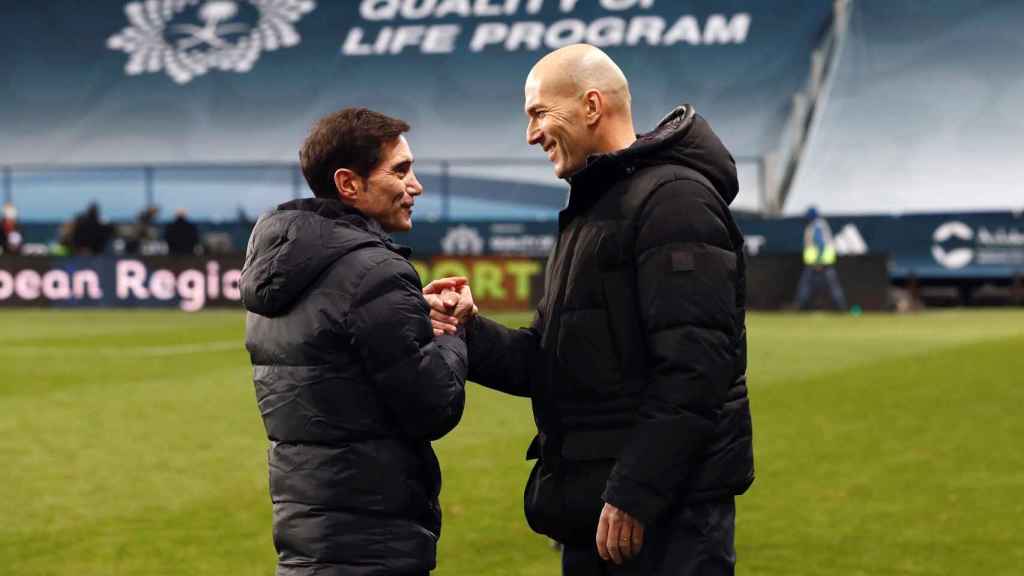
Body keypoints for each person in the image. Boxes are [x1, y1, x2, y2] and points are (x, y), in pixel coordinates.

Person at [426, 44, 754, 575]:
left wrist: (635, 492)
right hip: (600, 510)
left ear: (592, 106)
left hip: (658, 519)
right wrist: (468, 329)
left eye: (538, 113)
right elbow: (551, 362)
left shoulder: (674, 202)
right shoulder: (596, 207)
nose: (530, 134)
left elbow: (695, 370)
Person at [241, 108, 468, 576]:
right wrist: (452, 332)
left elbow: (341, 353)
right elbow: (434, 405)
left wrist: (405, 315)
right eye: (400, 171)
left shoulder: (280, 272)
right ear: (349, 184)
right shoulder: (374, 271)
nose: (416, 185)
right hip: (373, 540)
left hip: (307, 533)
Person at [795, 206, 848, 310]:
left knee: (807, 286)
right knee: (831, 287)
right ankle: (841, 307)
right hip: (822, 262)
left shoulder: (817, 226)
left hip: (819, 263)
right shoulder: (820, 225)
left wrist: (818, 261)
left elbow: (820, 244)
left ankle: (800, 306)